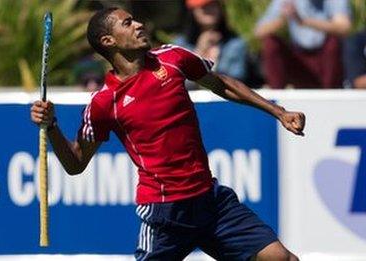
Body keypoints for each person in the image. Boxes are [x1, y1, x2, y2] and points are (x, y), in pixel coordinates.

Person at [31, 7, 305, 260]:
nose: (139, 25)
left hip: (210, 202)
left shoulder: (173, 58)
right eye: (128, 23)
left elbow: (221, 84)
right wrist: (52, 126)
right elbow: (75, 163)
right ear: (108, 42)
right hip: (166, 215)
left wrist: (278, 112)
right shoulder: (104, 103)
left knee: (282, 258)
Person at [255, 0, 351, 89]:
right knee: (271, 43)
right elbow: (259, 31)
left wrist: (304, 21)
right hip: (299, 61)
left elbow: (344, 28)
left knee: (333, 43)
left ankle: (331, 94)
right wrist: (283, 17)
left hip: (327, 62)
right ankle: (276, 96)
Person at [185, 0, 248, 82]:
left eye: (213, 5)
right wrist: (200, 51)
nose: (209, 9)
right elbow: (179, 81)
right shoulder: (181, 43)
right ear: (193, 11)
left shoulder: (235, 43)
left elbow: (237, 79)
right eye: (203, 7)